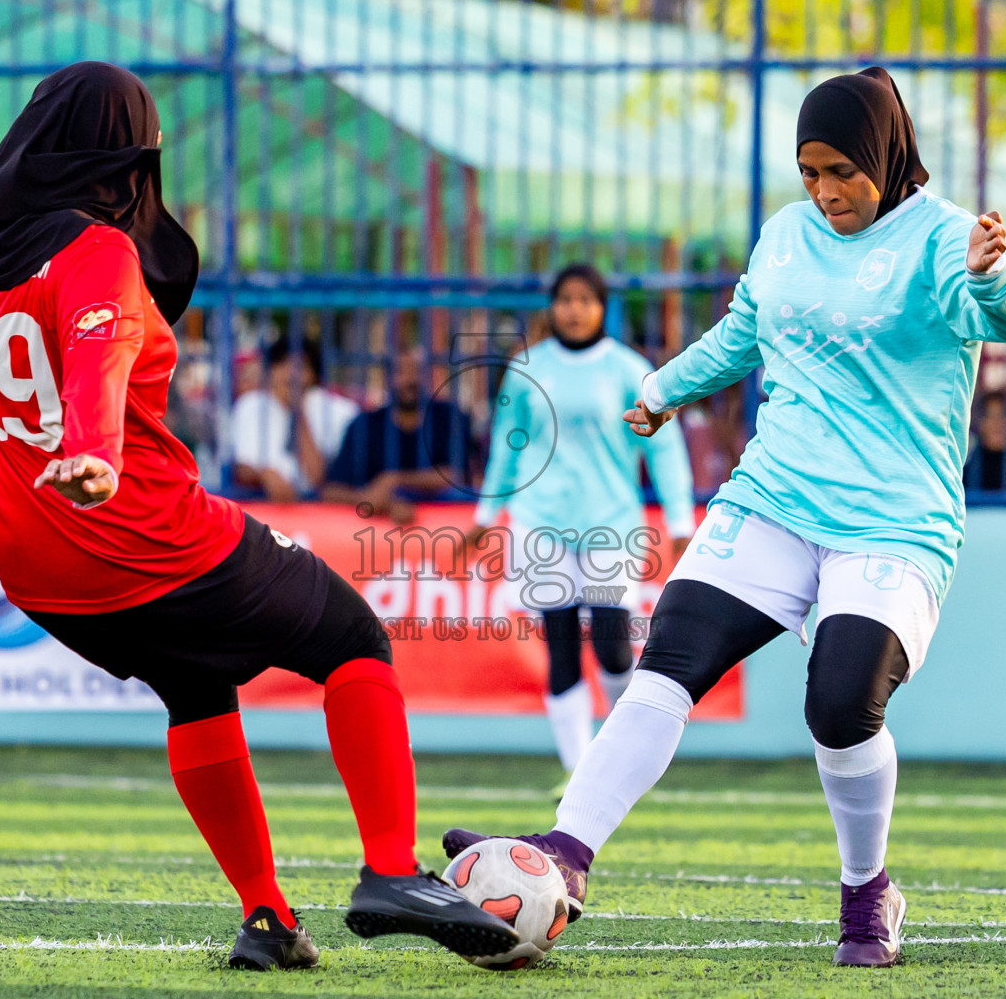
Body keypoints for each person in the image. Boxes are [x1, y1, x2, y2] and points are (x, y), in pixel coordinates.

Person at [0, 61, 515, 972]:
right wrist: (96, 454)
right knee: (351, 638)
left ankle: (268, 920)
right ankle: (391, 870)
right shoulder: (97, 252)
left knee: (195, 689)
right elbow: (98, 352)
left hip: (34, 567)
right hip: (141, 530)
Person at [442, 67, 1006, 968]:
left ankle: (868, 892)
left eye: (842, 170)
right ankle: (567, 854)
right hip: (774, 495)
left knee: (841, 706)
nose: (825, 191)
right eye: (809, 172)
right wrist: (661, 390)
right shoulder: (787, 234)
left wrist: (996, 278)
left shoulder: (943, 238)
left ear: (884, 154)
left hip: (891, 519)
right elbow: (744, 332)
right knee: (669, 660)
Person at [468, 263, 696, 789]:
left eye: (585, 300)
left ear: (602, 307)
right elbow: (507, 443)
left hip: (610, 523)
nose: (574, 309)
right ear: (552, 306)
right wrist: (485, 515)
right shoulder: (528, 367)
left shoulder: (627, 369)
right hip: (540, 524)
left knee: (614, 646)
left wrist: (681, 520)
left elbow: (663, 447)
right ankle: (578, 770)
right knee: (562, 645)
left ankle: (627, 752)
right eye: (565, 299)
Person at [321, 348, 475, 523]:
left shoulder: (449, 417)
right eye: (401, 372)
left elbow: (455, 477)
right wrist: (380, 502)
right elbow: (331, 491)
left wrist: (394, 480)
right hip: (374, 537)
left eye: (417, 371)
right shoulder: (364, 426)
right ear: (386, 380)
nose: (411, 380)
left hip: (448, 525)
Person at [231, 336, 357, 501]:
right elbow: (240, 468)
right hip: (261, 506)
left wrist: (297, 412)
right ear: (270, 371)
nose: (291, 374)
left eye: (300, 366)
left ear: (314, 375)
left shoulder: (333, 409)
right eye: (282, 364)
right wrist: (264, 475)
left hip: (315, 511)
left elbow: (319, 480)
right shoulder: (251, 405)